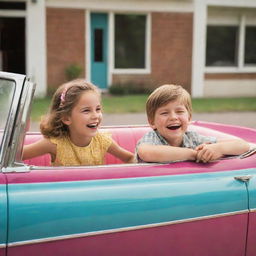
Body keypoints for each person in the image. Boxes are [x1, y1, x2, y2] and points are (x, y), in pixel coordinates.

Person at [22, 79, 135, 166]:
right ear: (66, 118)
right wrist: (22, 129)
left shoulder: (102, 141)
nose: (96, 115)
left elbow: (130, 158)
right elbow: (14, 156)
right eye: (86, 110)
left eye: (98, 109)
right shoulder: (55, 144)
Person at [136, 84, 250, 163]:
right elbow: (146, 152)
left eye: (179, 111)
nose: (173, 117)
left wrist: (217, 149)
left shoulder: (193, 138)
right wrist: (194, 154)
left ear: (189, 117)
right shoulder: (153, 137)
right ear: (152, 122)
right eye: (164, 113)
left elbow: (243, 145)